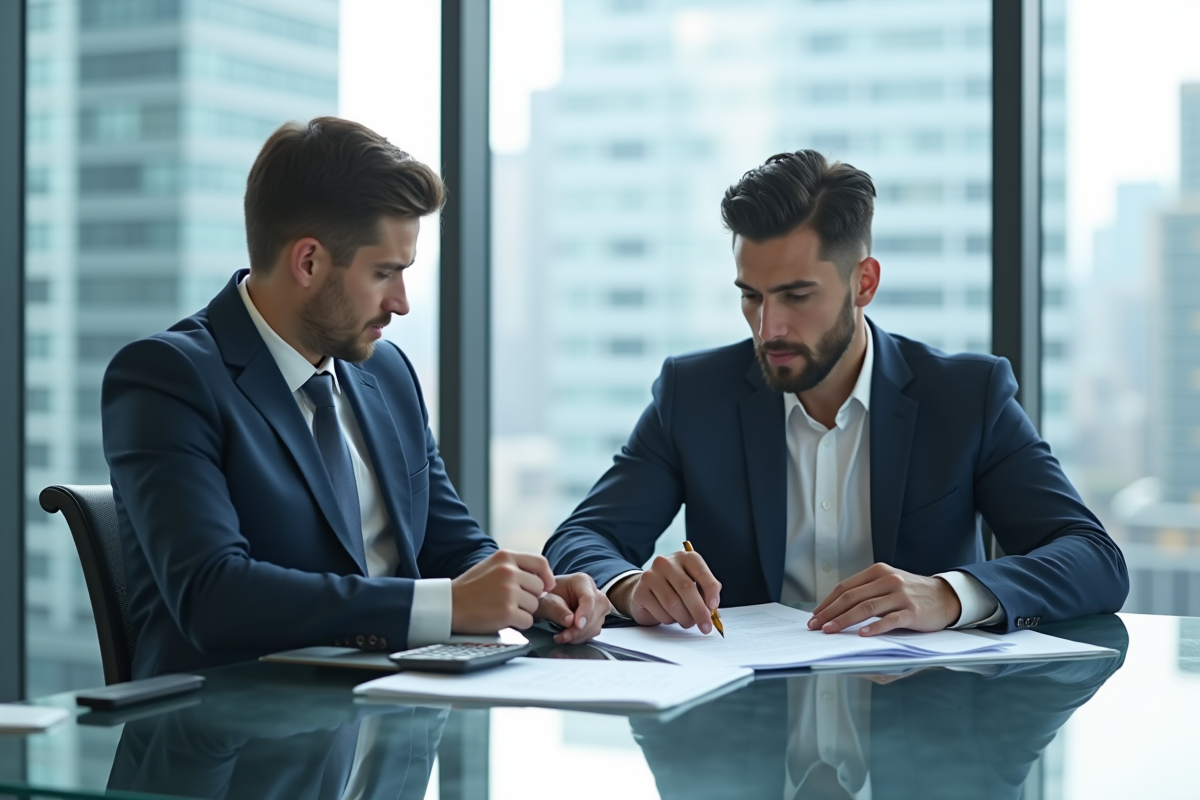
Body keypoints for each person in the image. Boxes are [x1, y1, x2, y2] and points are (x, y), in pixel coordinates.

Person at [543, 150, 1128, 637]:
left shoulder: (967, 396)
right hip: (744, 734)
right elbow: (580, 538)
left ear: (863, 283)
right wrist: (630, 586)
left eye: (797, 295)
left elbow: (1094, 559)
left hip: (924, 727)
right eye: (751, 295)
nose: (768, 326)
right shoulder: (693, 396)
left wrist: (950, 596)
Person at [103, 117, 607, 679]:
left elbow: (449, 545)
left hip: (396, 728)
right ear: (309, 261)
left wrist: (529, 592)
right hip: (240, 739)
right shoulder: (167, 377)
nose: (402, 302)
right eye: (384, 273)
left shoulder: (385, 373)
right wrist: (445, 608)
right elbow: (213, 596)